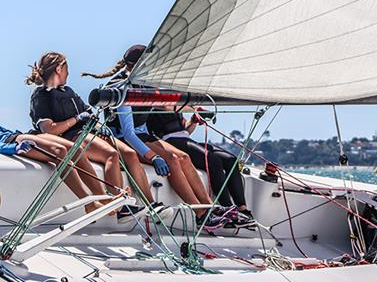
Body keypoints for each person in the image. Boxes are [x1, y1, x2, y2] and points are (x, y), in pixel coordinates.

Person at [86, 44, 235, 232]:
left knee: (184, 157)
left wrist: (197, 109)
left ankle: (209, 209)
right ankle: (201, 216)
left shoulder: (146, 85)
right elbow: (129, 133)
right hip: (123, 138)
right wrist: (153, 157)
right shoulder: (121, 87)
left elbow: (169, 107)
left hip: (143, 134)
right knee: (172, 160)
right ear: (141, 65)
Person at [27, 51, 166, 222]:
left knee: (129, 154)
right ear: (59, 69)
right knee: (112, 155)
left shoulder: (68, 91)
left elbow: (88, 112)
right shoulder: (41, 96)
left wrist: (100, 126)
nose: (68, 72)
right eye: (67, 68)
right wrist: (76, 119)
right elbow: (48, 130)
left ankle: (150, 205)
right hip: (71, 136)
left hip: (89, 132)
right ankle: (117, 206)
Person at [147, 107, 254, 227]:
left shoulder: (176, 105)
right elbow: (167, 108)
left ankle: (243, 209)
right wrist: (192, 106)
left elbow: (185, 131)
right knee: (213, 161)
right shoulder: (156, 105)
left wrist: (193, 121)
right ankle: (228, 210)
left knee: (231, 160)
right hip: (170, 142)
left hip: (185, 139)